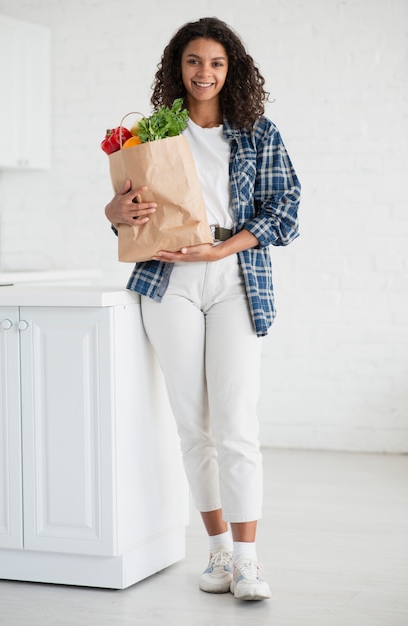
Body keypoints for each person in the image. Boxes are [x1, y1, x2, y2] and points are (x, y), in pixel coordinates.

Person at [105, 16, 300, 601]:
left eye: (216, 62)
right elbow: (125, 208)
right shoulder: (155, 132)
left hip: (235, 277)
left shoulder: (258, 133)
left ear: (231, 68)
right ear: (178, 68)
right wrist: (116, 212)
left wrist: (222, 246)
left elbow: (286, 210)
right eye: (194, 61)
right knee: (194, 427)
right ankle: (216, 550)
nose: (205, 73)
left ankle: (248, 561)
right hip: (168, 281)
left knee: (237, 423)